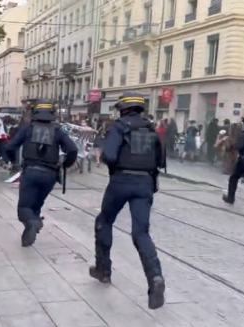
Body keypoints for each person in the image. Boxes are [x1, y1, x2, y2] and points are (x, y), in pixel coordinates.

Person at [88, 92, 165, 310]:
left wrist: (103, 152)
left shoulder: (118, 127)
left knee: (104, 221)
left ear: (123, 108)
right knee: (141, 233)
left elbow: (110, 156)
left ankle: (103, 269)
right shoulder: (151, 129)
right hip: (145, 185)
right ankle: (155, 278)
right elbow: (160, 160)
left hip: (121, 181)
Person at [5, 99, 77, 247]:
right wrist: (65, 164)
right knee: (36, 205)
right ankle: (28, 236)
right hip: (50, 175)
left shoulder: (27, 128)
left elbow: (9, 147)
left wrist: (14, 163)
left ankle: (34, 223)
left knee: (24, 208)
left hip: (30, 172)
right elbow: (73, 150)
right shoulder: (58, 130)